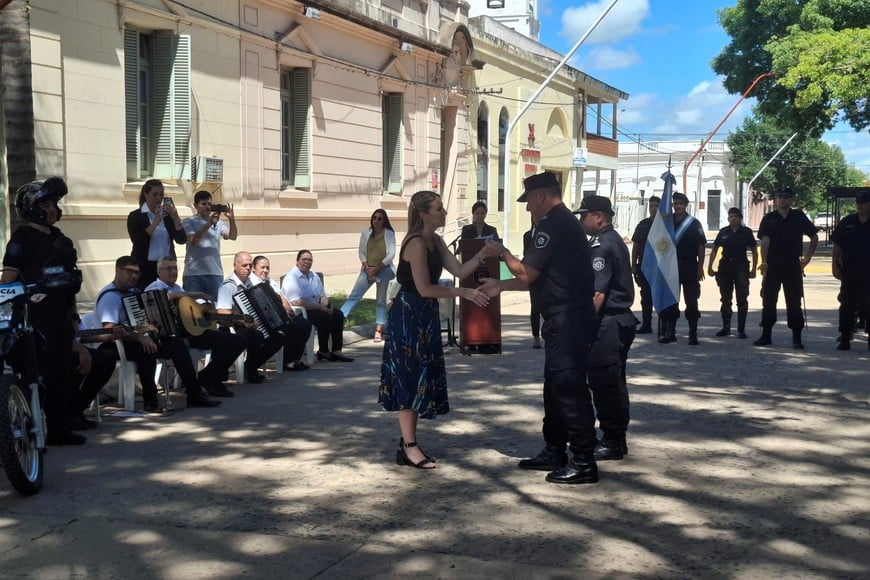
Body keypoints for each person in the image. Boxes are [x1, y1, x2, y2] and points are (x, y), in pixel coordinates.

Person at [479, 172, 599, 485]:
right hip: (563, 316)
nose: (528, 208)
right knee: (555, 386)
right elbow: (537, 278)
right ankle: (555, 449)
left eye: (530, 201)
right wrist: (499, 286)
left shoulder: (553, 225)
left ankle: (584, 460)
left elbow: (526, 272)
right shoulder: (560, 223)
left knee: (568, 387)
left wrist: (501, 252)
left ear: (542, 196)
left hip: (569, 317)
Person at [378, 190, 490, 470]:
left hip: (424, 315)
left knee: (420, 378)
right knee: (408, 378)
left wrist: (484, 254)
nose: (444, 213)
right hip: (408, 314)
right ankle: (409, 446)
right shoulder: (415, 243)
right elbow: (424, 288)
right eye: (439, 209)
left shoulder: (436, 240)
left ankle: (408, 444)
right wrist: (463, 293)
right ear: (424, 213)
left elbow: (460, 269)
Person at [1, 177, 85, 445]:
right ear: (31, 207)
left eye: (54, 204)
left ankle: (59, 429)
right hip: (34, 317)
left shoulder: (60, 238)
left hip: (60, 315)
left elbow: (70, 282)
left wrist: (72, 317)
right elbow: (8, 279)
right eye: (46, 204)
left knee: (62, 373)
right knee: (37, 375)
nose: (52, 209)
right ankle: (29, 432)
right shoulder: (21, 238)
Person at [93, 256, 221, 410]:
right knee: (147, 350)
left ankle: (195, 395)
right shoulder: (110, 296)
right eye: (129, 272)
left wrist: (157, 327)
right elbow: (109, 329)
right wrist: (140, 337)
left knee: (176, 343)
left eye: (136, 273)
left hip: (137, 338)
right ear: (118, 270)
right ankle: (150, 401)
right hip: (116, 344)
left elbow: (143, 320)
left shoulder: (133, 292)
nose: (133, 276)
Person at [575, 195, 636, 461]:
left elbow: (597, 294)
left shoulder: (602, 245)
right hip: (618, 320)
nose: (581, 220)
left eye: (584, 215)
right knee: (613, 381)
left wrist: (583, 328)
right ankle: (615, 437)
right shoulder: (612, 240)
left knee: (605, 382)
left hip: (608, 323)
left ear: (598, 216)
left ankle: (613, 439)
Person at [146, 257, 247, 395]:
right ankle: (211, 380)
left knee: (237, 341)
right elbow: (166, 297)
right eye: (169, 268)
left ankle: (209, 376)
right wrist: (197, 293)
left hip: (192, 332)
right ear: (158, 271)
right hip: (173, 338)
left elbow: (187, 308)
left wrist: (206, 309)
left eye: (175, 268)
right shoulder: (154, 287)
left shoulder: (177, 287)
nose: (173, 272)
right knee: (225, 341)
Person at [754, 187, 818, 348]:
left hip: (792, 265)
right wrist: (764, 261)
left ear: (791, 200)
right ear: (775, 199)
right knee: (768, 302)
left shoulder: (799, 216)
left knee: (794, 302)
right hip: (773, 265)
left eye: (786, 197)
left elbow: (813, 236)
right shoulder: (769, 218)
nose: (783, 199)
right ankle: (766, 335)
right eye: (780, 197)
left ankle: (797, 338)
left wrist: (808, 256)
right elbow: (765, 240)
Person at [215, 251, 285, 383]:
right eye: (244, 265)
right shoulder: (229, 286)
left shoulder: (251, 285)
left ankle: (251, 366)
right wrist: (242, 320)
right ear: (235, 265)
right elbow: (222, 312)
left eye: (250, 265)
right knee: (256, 335)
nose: (248, 268)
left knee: (278, 337)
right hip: (234, 327)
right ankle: (251, 370)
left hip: (252, 325)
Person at [282, 250, 353, 362]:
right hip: (301, 311)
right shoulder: (291, 277)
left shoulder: (314, 276)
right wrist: (320, 308)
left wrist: (327, 304)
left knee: (338, 314)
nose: (307, 262)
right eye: (304, 259)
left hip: (316, 307)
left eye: (310, 260)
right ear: (297, 261)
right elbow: (296, 302)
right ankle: (323, 350)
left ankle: (336, 350)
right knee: (324, 317)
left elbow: (322, 295)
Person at [339, 210, 396, 343]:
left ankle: (378, 330)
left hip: (384, 269)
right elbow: (361, 252)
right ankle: (338, 319)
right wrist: (368, 269)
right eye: (374, 218)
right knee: (354, 295)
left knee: (381, 301)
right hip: (367, 268)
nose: (376, 221)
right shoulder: (366, 233)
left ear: (384, 221)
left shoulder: (389, 234)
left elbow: (391, 255)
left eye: (380, 219)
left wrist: (377, 269)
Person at [657, 192, 706, 345]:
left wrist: (700, 267)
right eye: (675, 204)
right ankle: (670, 332)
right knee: (672, 300)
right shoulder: (667, 222)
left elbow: (701, 245)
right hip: (671, 267)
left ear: (686, 205)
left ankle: (693, 333)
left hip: (690, 266)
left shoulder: (693, 223)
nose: (677, 206)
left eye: (680, 204)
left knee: (691, 301)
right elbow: (660, 244)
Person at [251, 255, 314, 370]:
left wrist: (288, 310)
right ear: (254, 268)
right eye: (262, 267)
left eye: (267, 268)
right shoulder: (252, 283)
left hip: (282, 314)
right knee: (292, 327)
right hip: (268, 319)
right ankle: (288, 361)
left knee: (305, 324)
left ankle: (295, 358)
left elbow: (281, 296)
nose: (265, 270)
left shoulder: (269, 280)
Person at [707, 207, 757, 339]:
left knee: (742, 298)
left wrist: (754, 269)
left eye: (736, 216)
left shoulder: (746, 232)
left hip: (741, 267)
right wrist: (710, 266)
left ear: (740, 218)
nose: (733, 218)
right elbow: (715, 249)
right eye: (731, 216)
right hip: (725, 268)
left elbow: (754, 250)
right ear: (728, 218)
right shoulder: (723, 232)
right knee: (725, 299)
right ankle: (726, 327)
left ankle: (741, 329)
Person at [127, 179, 186, 290]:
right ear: (146, 194)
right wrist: (155, 223)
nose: (159, 198)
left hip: (165, 267)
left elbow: (181, 239)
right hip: (145, 266)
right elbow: (138, 242)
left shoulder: (168, 216)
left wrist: (175, 217)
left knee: (167, 301)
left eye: (161, 195)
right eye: (155, 194)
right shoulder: (136, 216)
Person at [831, 190, 870, 350]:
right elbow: (837, 245)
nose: (860, 205)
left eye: (864, 202)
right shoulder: (847, 222)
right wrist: (834, 265)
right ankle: (845, 337)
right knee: (846, 304)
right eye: (858, 202)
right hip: (850, 270)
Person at [183, 190, 237, 300]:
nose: (207, 207)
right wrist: (209, 224)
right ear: (195, 205)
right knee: (194, 309)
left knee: (215, 309)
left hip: (215, 273)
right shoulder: (189, 221)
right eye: (203, 204)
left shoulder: (218, 222)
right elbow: (193, 240)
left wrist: (231, 219)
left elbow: (232, 236)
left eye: (209, 204)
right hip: (193, 274)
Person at [630, 196, 660, 334]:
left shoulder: (666, 225)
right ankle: (646, 324)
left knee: (662, 297)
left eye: (656, 206)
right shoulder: (643, 224)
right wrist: (634, 264)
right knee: (646, 297)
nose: (654, 209)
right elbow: (636, 245)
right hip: (645, 267)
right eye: (652, 206)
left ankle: (664, 326)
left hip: (661, 268)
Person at [523, 218, 542, 349]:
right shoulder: (527, 235)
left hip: (546, 273)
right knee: (535, 306)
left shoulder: (549, 232)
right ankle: (536, 337)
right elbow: (526, 253)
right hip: (533, 272)